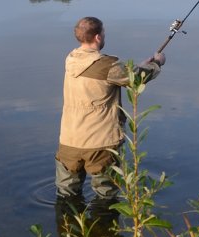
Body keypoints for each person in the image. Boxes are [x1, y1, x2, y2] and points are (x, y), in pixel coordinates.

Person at [55, 16, 165, 210]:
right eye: (103, 33)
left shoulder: (71, 59)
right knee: (106, 198)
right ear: (98, 37)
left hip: (69, 141)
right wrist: (156, 63)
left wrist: (140, 64)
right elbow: (136, 79)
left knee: (66, 196)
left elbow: (119, 74)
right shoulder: (107, 66)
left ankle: (67, 236)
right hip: (100, 143)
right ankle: (105, 235)